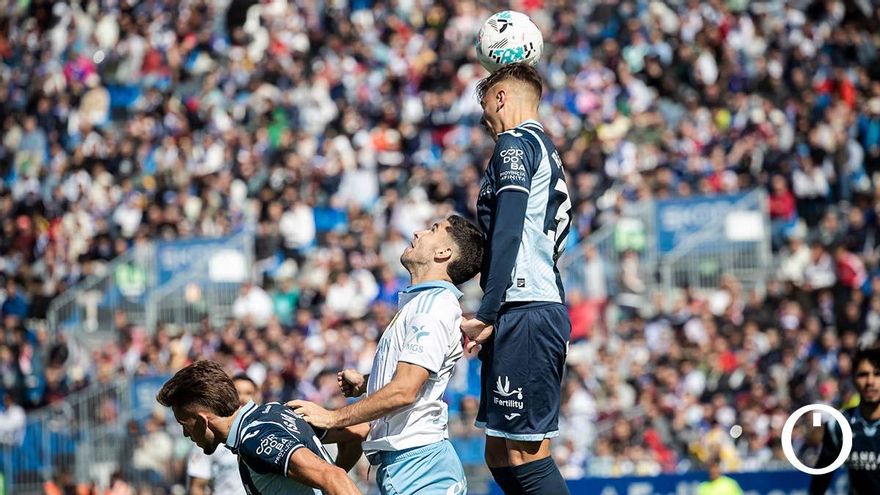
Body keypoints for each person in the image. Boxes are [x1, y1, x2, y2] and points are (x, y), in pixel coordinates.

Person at [288, 216, 484, 495]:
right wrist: (369, 382)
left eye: (433, 229)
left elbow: (405, 391)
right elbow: (413, 377)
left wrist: (331, 418)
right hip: (414, 465)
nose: (418, 231)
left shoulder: (432, 308)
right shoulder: (422, 303)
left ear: (444, 253)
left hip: (420, 470)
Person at [460, 62, 573, 494]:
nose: (485, 117)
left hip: (526, 305)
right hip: (521, 305)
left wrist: (487, 312)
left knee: (526, 452)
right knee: (497, 449)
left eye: (486, 104)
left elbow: (507, 229)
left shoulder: (513, 143)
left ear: (501, 97)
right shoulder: (546, 147)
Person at [156, 360, 362, 495]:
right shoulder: (275, 411)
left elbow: (333, 477)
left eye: (185, 425)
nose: (185, 433)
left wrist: (329, 481)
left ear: (202, 421)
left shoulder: (254, 439)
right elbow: (358, 432)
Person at [810, 347, 880, 494]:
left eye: (877, 374)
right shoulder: (839, 425)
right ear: (854, 379)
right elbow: (820, 480)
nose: (870, 381)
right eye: (863, 375)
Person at [187, 374, 259, 495]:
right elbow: (197, 485)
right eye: (238, 393)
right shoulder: (210, 436)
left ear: (257, 396)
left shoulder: (265, 433)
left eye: (249, 393)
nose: (243, 398)